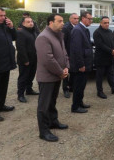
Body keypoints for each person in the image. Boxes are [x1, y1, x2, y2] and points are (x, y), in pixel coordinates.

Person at [35, 14, 69, 142]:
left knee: (52, 101)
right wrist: (60, 72)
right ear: (50, 22)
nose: (62, 23)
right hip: (47, 77)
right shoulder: (43, 37)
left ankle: (53, 121)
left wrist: (66, 67)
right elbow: (47, 59)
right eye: (59, 21)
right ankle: (43, 131)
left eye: (63, 21)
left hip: (57, 75)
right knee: (44, 105)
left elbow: (64, 53)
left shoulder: (58, 35)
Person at [94, 16, 114, 99]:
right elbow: (100, 45)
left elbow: (113, 42)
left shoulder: (110, 31)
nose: (107, 24)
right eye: (105, 23)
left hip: (109, 58)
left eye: (108, 22)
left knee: (111, 74)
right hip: (101, 58)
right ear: (101, 23)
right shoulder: (97, 32)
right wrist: (111, 51)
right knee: (100, 76)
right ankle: (99, 92)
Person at [70, 11, 93, 113]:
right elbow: (77, 49)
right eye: (89, 19)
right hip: (80, 65)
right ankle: (75, 107)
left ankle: (80, 103)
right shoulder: (78, 30)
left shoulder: (83, 29)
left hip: (85, 63)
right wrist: (81, 64)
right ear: (83, 18)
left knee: (82, 85)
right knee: (78, 86)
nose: (91, 21)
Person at [16, 17, 39, 103]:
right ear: (23, 24)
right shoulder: (21, 32)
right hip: (25, 60)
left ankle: (29, 90)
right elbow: (20, 47)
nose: (31, 23)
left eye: (31, 21)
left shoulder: (33, 31)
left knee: (31, 75)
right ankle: (20, 94)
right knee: (23, 77)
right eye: (28, 22)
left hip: (34, 58)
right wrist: (25, 60)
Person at [61, 13, 79, 98]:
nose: (76, 20)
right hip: (67, 54)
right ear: (70, 19)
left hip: (75, 54)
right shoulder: (66, 28)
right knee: (66, 72)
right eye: (75, 18)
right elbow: (63, 42)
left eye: (77, 18)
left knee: (74, 72)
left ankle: (71, 87)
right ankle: (65, 89)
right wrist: (65, 54)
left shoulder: (77, 27)